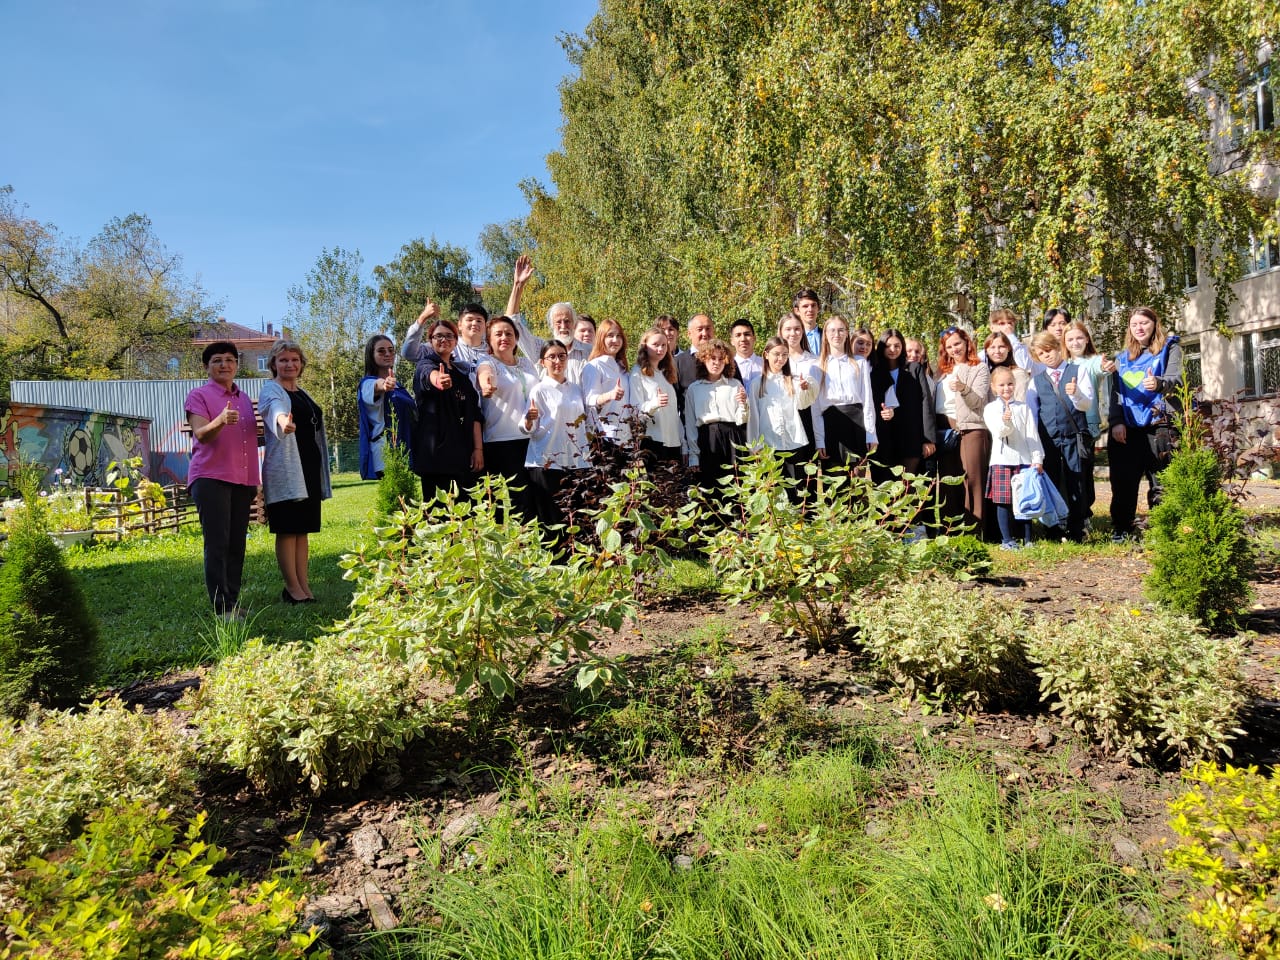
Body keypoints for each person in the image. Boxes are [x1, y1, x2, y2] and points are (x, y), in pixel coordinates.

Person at [185, 341, 260, 619]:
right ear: (207, 366)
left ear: (237, 365)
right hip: (210, 478)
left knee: (237, 544)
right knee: (218, 543)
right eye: (217, 360)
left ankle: (233, 602)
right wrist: (220, 420)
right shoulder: (198, 395)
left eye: (229, 359)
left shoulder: (244, 399)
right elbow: (201, 434)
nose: (224, 365)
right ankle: (222, 608)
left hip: (243, 480)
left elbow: (248, 440)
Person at [259, 339, 332, 604]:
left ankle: (304, 585)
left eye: (294, 360)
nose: (290, 364)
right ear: (273, 364)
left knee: (302, 530)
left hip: (308, 468)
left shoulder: (303, 393)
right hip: (286, 470)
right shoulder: (272, 390)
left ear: (301, 364)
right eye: (283, 360)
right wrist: (283, 422)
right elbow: (275, 410)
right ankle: (291, 588)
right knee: (288, 529)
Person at [1103, 306, 1182, 541]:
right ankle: (1122, 529)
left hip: (1160, 425)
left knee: (1161, 481)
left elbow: (1177, 380)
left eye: (1144, 323)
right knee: (1123, 482)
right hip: (1127, 428)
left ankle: (1161, 530)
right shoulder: (1122, 358)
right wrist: (1116, 421)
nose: (1139, 328)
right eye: (1134, 324)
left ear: (1154, 324)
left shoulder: (1170, 348)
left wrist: (1159, 383)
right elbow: (1116, 394)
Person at [1027, 331, 1093, 542]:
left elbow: (1087, 404)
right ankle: (1054, 529)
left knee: (1077, 481)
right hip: (1049, 438)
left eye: (1049, 350)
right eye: (1041, 353)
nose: (1047, 355)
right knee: (1051, 482)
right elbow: (1032, 413)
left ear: (1058, 347)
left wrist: (1076, 393)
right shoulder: (1036, 381)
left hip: (1073, 435)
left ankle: (1077, 529)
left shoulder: (1078, 371)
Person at [522, 340, 591, 535]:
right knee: (551, 519)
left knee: (576, 515)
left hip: (576, 460)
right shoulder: (539, 390)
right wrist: (528, 419)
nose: (557, 361)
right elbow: (528, 428)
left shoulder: (576, 389)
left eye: (561, 356)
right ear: (543, 362)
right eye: (551, 357)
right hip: (547, 462)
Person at [413, 318, 484, 502]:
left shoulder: (462, 376)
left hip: (463, 456)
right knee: (439, 514)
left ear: (456, 340)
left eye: (449, 336)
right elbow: (428, 375)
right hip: (436, 458)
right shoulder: (425, 364)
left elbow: (474, 414)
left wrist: (478, 449)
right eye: (438, 336)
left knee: (467, 512)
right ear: (430, 341)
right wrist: (439, 379)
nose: (443, 339)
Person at [475, 315, 540, 511]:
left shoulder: (526, 364)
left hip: (532, 439)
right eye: (498, 334)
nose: (504, 337)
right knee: (512, 502)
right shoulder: (487, 361)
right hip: (502, 442)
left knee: (533, 498)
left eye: (509, 333)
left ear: (516, 338)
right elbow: (485, 374)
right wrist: (486, 384)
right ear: (489, 340)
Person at [935, 327, 991, 531]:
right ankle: (951, 529)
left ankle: (974, 530)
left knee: (972, 480)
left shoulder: (979, 368)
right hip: (944, 429)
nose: (954, 349)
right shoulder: (941, 372)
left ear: (967, 342)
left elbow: (978, 401)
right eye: (949, 346)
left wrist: (963, 388)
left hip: (970, 428)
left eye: (957, 343)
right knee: (949, 480)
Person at [984, 366, 1044, 550]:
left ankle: (1028, 539)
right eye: (1001, 385)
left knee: (1025, 499)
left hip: (1024, 460)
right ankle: (1007, 539)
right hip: (1002, 460)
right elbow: (1000, 432)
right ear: (993, 387)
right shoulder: (990, 409)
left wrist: (1037, 458)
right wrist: (1006, 420)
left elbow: (1032, 434)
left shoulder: (1023, 408)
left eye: (1010, 384)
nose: (1006, 388)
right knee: (1003, 502)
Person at [748, 336, 819, 492]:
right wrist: (755, 446)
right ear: (766, 354)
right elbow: (753, 417)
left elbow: (803, 404)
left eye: (785, 355)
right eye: (776, 354)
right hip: (769, 446)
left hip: (793, 443)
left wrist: (804, 388)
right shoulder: (756, 384)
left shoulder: (793, 381)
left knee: (796, 490)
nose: (781, 359)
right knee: (774, 492)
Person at [869, 329, 936, 483]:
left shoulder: (914, 368)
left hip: (910, 437)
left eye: (897, 346)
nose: (893, 350)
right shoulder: (875, 372)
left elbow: (926, 402)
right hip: (884, 438)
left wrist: (929, 439)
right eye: (888, 346)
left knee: (907, 486)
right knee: (884, 486)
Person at [683, 339, 749, 493]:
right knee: (711, 486)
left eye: (721, 359)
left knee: (735, 485)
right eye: (713, 358)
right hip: (707, 440)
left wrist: (743, 404)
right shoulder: (694, 389)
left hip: (733, 438)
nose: (717, 363)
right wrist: (694, 455)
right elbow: (691, 424)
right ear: (704, 359)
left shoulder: (735, 384)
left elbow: (742, 419)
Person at [814, 315, 877, 468]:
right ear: (825, 334)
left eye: (841, 330)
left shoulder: (859, 363)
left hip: (857, 424)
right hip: (831, 424)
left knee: (857, 477)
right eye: (832, 330)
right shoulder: (817, 365)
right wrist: (819, 440)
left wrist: (871, 434)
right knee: (835, 477)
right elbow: (815, 408)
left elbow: (867, 401)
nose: (837, 334)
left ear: (847, 333)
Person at [358, 334, 416, 480]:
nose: (388, 354)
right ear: (371, 355)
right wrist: (384, 385)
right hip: (385, 455)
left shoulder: (399, 386)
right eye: (381, 351)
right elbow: (377, 386)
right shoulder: (366, 384)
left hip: (405, 452)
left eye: (391, 350)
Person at [632, 327, 684, 463]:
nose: (660, 349)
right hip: (652, 440)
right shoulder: (637, 373)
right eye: (655, 345)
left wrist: (682, 439)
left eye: (664, 345)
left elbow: (674, 413)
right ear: (645, 346)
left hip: (672, 441)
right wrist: (655, 403)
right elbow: (635, 411)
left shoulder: (666, 373)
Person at [580, 318, 632, 446]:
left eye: (619, 336)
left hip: (626, 438)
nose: (615, 340)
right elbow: (590, 400)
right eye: (610, 335)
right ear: (601, 338)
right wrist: (610, 395)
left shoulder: (623, 369)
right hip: (604, 436)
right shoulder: (594, 366)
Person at [983, 331, 1030, 401]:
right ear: (986, 351)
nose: (997, 351)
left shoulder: (1018, 374)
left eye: (1001, 347)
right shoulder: (986, 375)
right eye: (992, 347)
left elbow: (1021, 402)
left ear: (1008, 349)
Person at [676, 313, 715, 392]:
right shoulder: (678, 363)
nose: (704, 333)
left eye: (708, 328)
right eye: (699, 329)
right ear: (689, 334)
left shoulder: (725, 359)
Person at [729, 318, 763, 387]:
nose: (743, 339)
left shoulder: (766, 365)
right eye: (738, 335)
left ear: (754, 338)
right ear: (732, 341)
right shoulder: (727, 367)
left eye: (747, 334)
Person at [792, 288, 823, 355]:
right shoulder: (792, 338)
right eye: (805, 306)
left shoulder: (828, 336)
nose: (810, 309)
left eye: (813, 305)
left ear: (818, 308)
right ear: (797, 311)